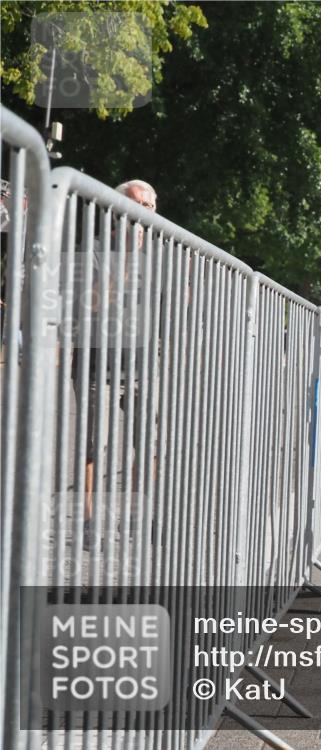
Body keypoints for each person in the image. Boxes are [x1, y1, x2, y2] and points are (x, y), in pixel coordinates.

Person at [75, 179, 157, 550]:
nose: (144, 212)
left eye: (150, 206)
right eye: (138, 204)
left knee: (148, 443)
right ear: (116, 207)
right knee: (94, 446)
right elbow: (90, 304)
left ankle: (139, 520)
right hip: (99, 364)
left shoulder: (159, 252)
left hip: (141, 365)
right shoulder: (92, 249)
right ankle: (89, 522)